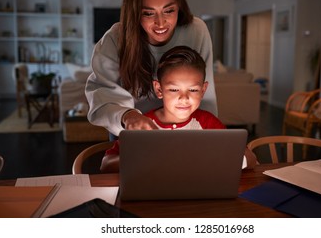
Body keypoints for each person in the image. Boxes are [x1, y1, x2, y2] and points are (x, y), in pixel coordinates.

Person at [85, 0, 217, 138]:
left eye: (169, 11)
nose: (160, 23)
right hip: (132, 131)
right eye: (148, 13)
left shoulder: (196, 30)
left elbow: (205, 94)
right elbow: (101, 93)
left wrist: (213, 138)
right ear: (134, 12)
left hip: (186, 130)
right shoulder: (116, 38)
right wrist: (128, 117)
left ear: (179, 5)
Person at [100, 46, 257, 173]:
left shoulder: (208, 123)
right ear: (159, 89)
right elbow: (106, 164)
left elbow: (251, 160)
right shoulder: (143, 125)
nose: (184, 98)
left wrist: (215, 158)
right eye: (174, 90)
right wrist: (143, 157)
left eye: (193, 90)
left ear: (203, 90)